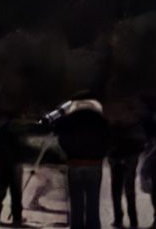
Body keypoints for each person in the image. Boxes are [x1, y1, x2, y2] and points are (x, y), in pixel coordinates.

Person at [41, 92, 110, 229]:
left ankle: (77, 226)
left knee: (76, 201)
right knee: (93, 201)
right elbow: (109, 140)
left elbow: (54, 128)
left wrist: (67, 152)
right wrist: (101, 154)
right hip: (94, 164)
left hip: (75, 163)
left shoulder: (70, 118)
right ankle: (93, 226)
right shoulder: (101, 120)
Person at [107, 101, 145, 229]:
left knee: (118, 191)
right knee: (128, 191)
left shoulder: (115, 125)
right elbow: (141, 144)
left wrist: (112, 155)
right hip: (128, 159)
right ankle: (132, 221)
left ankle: (120, 219)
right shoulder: (136, 125)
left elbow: (109, 143)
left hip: (120, 159)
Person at [0, 113, 28, 226]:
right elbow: (24, 149)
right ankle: (17, 217)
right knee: (15, 192)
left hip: (1, 164)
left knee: (0, 190)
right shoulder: (18, 132)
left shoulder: (0, 132)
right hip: (15, 164)